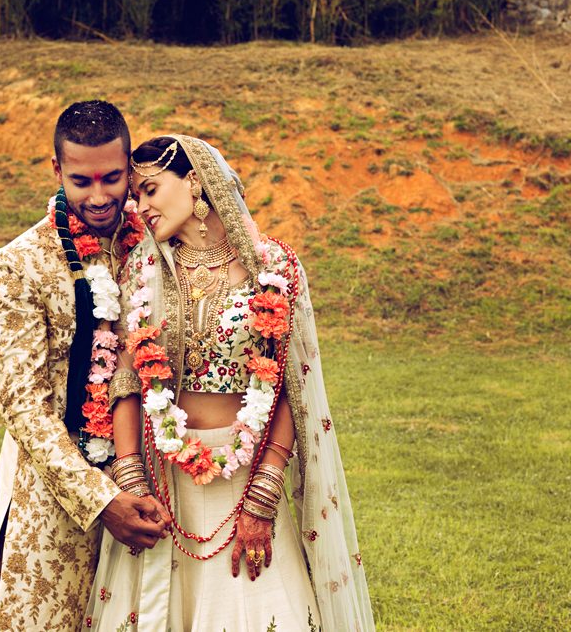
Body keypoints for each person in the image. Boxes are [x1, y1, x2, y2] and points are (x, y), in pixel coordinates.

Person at [83, 135, 375, 631]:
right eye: (135, 196)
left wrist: (264, 493)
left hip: (246, 477)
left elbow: (291, 385)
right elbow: (127, 376)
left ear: (195, 182)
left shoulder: (273, 267)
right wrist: (130, 473)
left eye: (151, 190)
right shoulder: (143, 268)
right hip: (163, 484)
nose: (141, 207)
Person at [0, 101, 169, 632]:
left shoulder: (158, 245)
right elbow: (24, 407)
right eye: (82, 181)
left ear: (131, 168)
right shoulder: (18, 265)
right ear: (56, 169)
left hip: (157, 487)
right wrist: (101, 499)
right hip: (54, 497)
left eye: (113, 178)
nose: (100, 196)